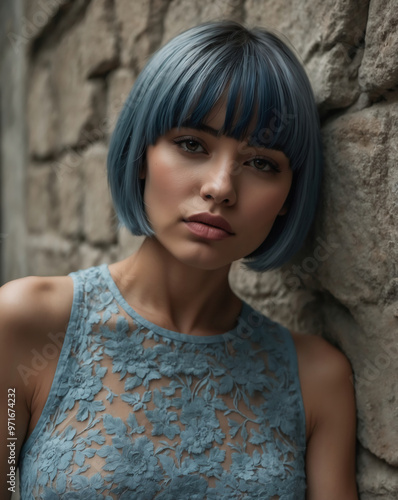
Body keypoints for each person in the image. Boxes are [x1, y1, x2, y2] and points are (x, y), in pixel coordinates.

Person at [0, 20, 358, 499]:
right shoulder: (26, 323)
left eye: (261, 163)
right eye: (192, 144)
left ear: (290, 195)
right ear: (142, 155)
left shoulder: (317, 379)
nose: (221, 187)